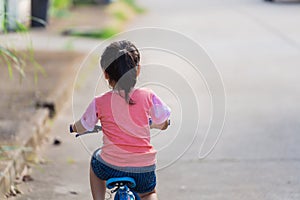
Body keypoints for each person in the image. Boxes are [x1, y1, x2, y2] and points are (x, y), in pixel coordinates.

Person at [70, 40, 171, 200]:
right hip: (143, 168)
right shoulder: (148, 96)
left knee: (95, 160)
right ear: (138, 70)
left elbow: (83, 125)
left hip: (110, 166)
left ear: (106, 74)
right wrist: (163, 124)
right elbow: (163, 120)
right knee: (149, 193)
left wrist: (73, 128)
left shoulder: (100, 102)